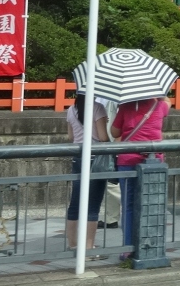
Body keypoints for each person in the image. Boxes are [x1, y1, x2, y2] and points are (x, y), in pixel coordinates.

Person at [110, 94, 170, 260]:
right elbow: (168, 103)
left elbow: (114, 132)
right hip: (154, 162)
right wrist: (160, 96)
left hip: (128, 159)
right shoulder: (160, 106)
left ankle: (128, 247)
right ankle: (151, 246)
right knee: (153, 203)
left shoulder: (126, 107)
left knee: (128, 206)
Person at [65, 92, 109, 257]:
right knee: (93, 204)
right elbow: (103, 137)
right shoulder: (98, 108)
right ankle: (89, 247)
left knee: (75, 201)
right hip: (94, 159)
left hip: (78, 157)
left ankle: (73, 244)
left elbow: (71, 136)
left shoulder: (71, 109)